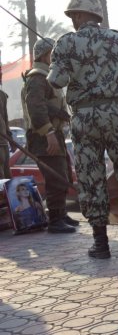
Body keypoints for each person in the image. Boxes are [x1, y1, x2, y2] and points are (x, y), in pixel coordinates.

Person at [47, 0, 118, 258]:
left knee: (91, 176)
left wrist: (69, 66)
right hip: (114, 112)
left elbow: (56, 81)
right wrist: (109, 75)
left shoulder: (66, 42)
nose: (72, 20)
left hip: (84, 117)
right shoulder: (117, 39)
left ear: (79, 15)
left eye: (73, 15)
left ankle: (101, 244)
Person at [21, 38, 78, 233]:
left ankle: (60, 213)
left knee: (63, 175)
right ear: (45, 55)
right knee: (55, 177)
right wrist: (49, 133)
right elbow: (36, 109)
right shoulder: (37, 78)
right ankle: (55, 220)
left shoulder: (48, 76)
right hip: (44, 137)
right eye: (53, 53)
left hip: (54, 134)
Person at [0, 88, 12, 178]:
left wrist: (10, 136)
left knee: (6, 175)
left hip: (3, 141)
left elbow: (5, 117)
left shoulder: (2, 95)